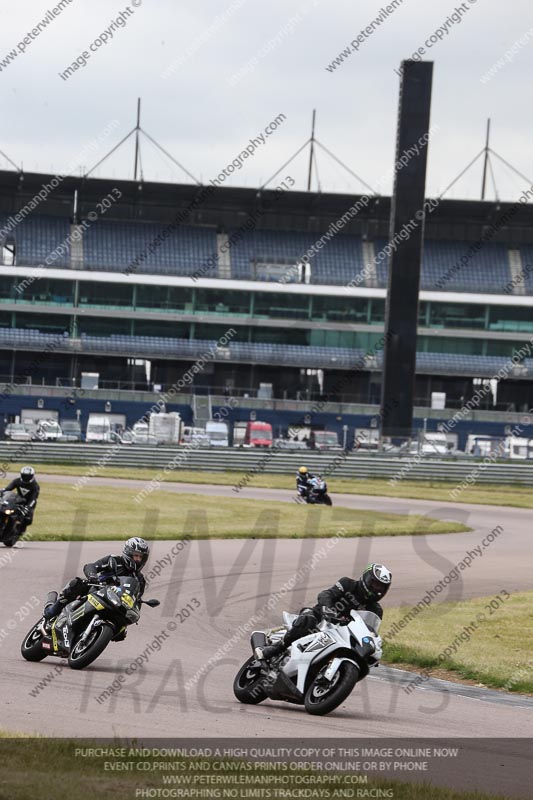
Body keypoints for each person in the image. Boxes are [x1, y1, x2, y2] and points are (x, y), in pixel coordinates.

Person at [255, 563, 392, 661]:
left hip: (341, 634)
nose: (377, 589)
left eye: (381, 586)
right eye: (375, 584)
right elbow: (326, 594)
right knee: (309, 620)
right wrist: (328, 609)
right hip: (321, 618)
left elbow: (370, 631)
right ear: (366, 579)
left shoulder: (376, 610)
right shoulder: (347, 584)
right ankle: (275, 649)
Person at [41, 537, 150, 635]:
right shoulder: (114, 560)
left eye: (141, 557)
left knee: (121, 633)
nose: (138, 560)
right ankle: (52, 610)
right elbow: (91, 566)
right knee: (77, 584)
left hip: (115, 603)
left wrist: (135, 608)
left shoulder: (140, 580)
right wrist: (93, 576)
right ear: (128, 552)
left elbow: (136, 599)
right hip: (96, 589)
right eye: (136, 555)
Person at [1, 466, 40, 533]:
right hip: (18, 499)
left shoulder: (35, 486)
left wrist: (28, 507)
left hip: (29, 502)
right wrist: (2, 491)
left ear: (32, 476)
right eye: (24, 475)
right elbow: (8, 489)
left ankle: (21, 530)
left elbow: (33, 498)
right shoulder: (17, 481)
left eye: (28, 476)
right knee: (4, 509)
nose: (26, 477)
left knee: (28, 519)